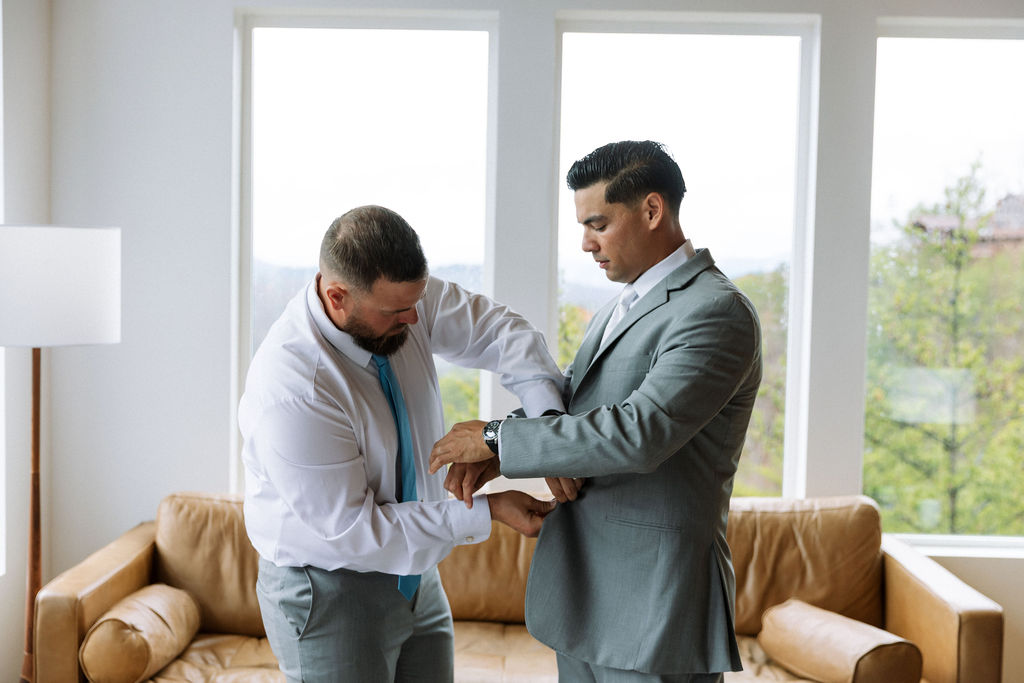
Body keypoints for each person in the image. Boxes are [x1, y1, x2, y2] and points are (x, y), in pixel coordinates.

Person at [430, 140, 763, 682]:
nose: (586, 243)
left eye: (598, 224)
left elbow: (641, 431)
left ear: (652, 210)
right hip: (587, 596)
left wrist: (495, 439)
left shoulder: (716, 313)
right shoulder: (618, 305)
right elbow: (580, 403)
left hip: (654, 605)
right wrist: (508, 452)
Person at [238, 205, 565, 682]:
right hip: (331, 589)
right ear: (337, 297)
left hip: (416, 574)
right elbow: (355, 528)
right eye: (397, 311)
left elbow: (500, 332)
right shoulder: (293, 390)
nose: (415, 319)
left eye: (418, 301)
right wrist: (488, 511)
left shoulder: (404, 299)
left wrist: (549, 432)